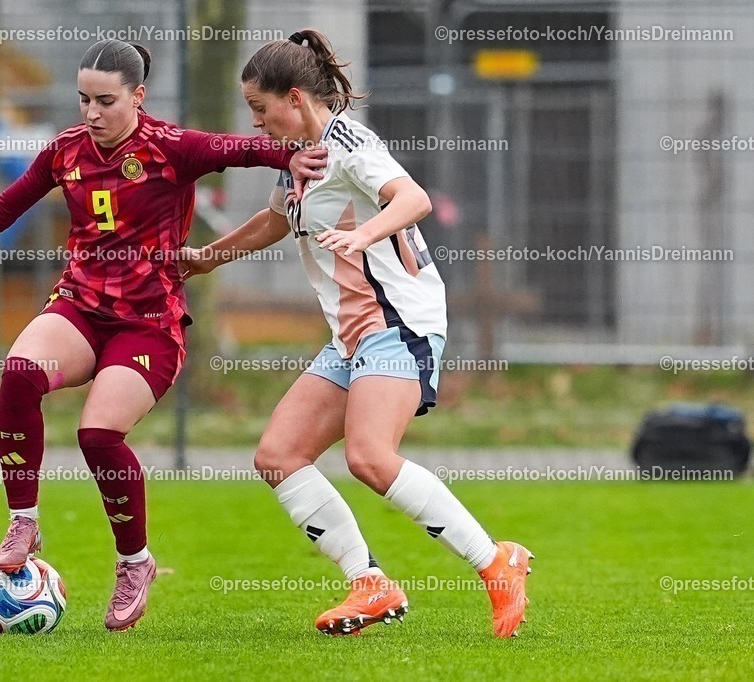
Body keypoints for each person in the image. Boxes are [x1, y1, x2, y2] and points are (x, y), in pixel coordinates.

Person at [0, 38, 326, 632]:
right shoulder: (64, 153)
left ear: (137, 96)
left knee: (98, 434)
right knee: (20, 373)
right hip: (81, 308)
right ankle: (24, 520)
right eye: (83, 99)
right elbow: (3, 208)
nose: (91, 113)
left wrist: (286, 158)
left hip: (149, 323)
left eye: (105, 100)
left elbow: (238, 147)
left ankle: (135, 562)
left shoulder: (170, 148)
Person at [182, 29, 532, 637]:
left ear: (295, 98)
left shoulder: (349, 143)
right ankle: (370, 583)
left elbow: (412, 198)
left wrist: (364, 235)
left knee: (370, 457)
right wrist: (209, 257)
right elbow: (274, 220)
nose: (257, 125)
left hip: (400, 322)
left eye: (261, 111)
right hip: (352, 334)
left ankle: (496, 562)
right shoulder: (299, 158)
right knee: (279, 457)